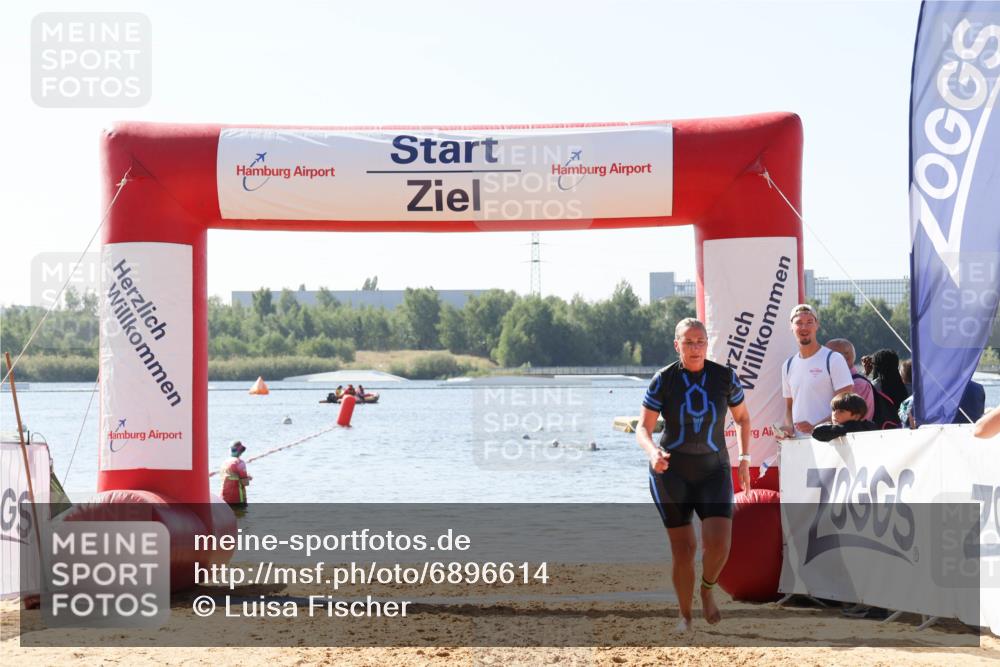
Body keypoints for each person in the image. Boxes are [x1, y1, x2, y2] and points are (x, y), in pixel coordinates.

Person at [636, 317, 752, 631]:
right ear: (677, 345)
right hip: (671, 472)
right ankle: (685, 615)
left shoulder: (725, 377)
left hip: (714, 469)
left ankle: (707, 589)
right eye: (688, 342)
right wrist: (652, 452)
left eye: (700, 341)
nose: (695, 348)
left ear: (707, 344)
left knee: (719, 545)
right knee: (684, 548)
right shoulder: (664, 379)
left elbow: (742, 419)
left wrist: (743, 457)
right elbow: (643, 428)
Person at [779, 304, 853, 438]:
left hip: (830, 443)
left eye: (809, 322)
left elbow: (847, 407)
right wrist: (788, 427)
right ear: (791, 326)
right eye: (799, 323)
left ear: (817, 325)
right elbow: (789, 408)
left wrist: (816, 428)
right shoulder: (787, 365)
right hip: (798, 446)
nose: (804, 327)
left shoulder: (834, 359)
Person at [825, 338, 874, 421]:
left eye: (827, 355)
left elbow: (843, 417)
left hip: (853, 433)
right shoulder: (854, 381)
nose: (823, 359)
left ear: (845, 358)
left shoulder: (857, 384)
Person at [811, 393, 877, 442]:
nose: (835, 414)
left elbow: (817, 432)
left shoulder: (856, 427)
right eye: (833, 410)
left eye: (841, 411)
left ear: (856, 416)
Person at [220, 441, 252, 509]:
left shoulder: (224, 462)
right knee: (241, 517)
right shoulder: (240, 463)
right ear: (241, 451)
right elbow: (245, 483)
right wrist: (248, 478)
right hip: (237, 499)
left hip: (224, 499)